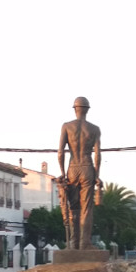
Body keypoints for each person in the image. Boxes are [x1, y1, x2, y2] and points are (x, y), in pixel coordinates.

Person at [57, 96, 102, 250]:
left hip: (72, 167)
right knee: (86, 208)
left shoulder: (66, 127)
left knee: (73, 208)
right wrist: (97, 175)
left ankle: (73, 243)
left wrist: (62, 172)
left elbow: (60, 152)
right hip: (87, 166)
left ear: (75, 109)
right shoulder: (94, 129)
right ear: (87, 110)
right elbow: (97, 154)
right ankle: (84, 243)